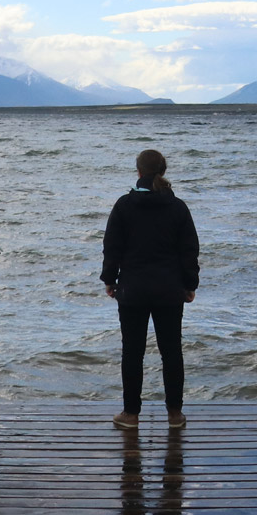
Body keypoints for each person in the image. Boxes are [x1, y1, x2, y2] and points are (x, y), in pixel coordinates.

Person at [100, 147, 199, 428]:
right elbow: (190, 250)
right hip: (170, 290)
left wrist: (110, 280)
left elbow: (112, 248)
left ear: (139, 172)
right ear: (163, 171)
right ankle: (175, 414)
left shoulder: (123, 205)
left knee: (132, 352)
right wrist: (190, 283)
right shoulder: (177, 207)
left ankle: (131, 414)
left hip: (132, 290)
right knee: (172, 351)